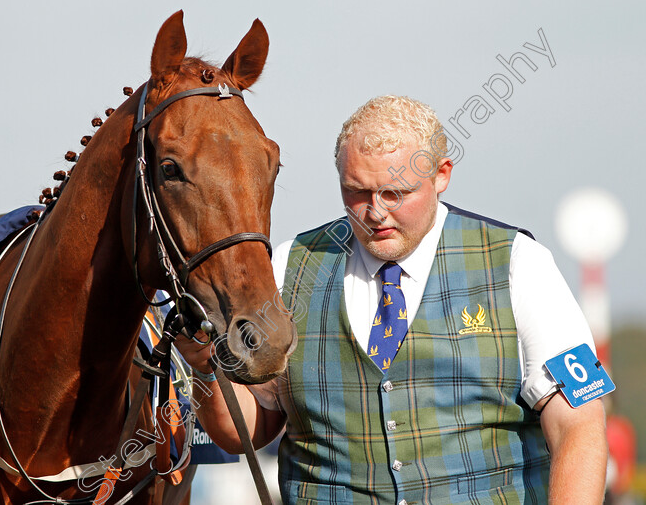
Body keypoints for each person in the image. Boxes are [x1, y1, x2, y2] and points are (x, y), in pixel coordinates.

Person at [175, 95, 608, 504]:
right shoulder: (291, 266)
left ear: (442, 174)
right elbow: (247, 428)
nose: (376, 212)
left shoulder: (516, 263)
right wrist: (205, 371)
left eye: (395, 193)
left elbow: (579, 425)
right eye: (357, 192)